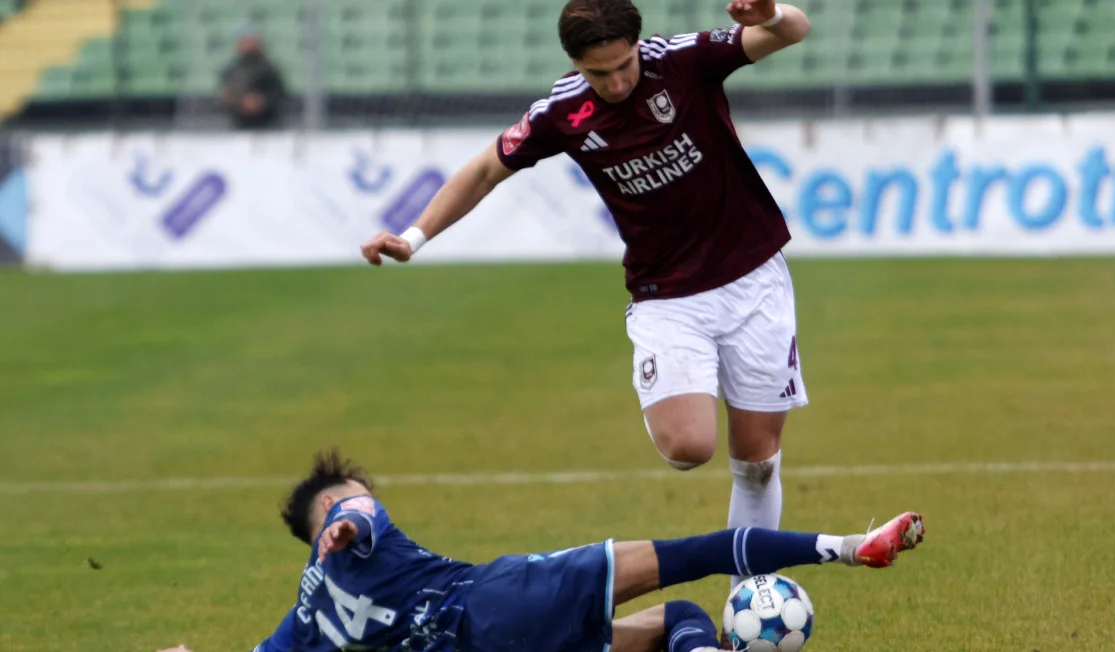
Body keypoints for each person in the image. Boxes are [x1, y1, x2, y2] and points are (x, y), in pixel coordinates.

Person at [362, 0, 813, 588]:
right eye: (601, 73)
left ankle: (745, 611)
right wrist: (414, 236)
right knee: (688, 445)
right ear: (576, 63)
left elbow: (794, 31)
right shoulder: (562, 112)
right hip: (667, 295)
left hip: (755, 278)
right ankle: (667, 376)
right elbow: (483, 171)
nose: (618, 82)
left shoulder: (682, 62)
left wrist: (771, 11)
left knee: (756, 462)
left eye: (624, 65)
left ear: (637, 45)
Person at [156, 449, 925, 652]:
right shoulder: (352, 526)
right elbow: (360, 511)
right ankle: (851, 547)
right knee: (695, 553)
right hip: (498, 601)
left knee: (680, 617)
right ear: (324, 506)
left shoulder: (305, 613)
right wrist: (348, 521)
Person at [219, 27, 287, 130]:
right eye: (244, 41)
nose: (247, 44)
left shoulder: (268, 68)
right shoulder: (232, 70)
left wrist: (261, 101)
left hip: (267, 125)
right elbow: (225, 96)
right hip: (238, 125)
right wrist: (238, 101)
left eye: (250, 40)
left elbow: (279, 94)